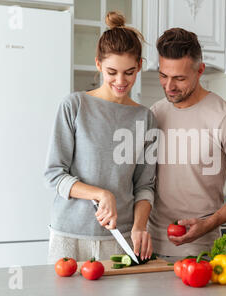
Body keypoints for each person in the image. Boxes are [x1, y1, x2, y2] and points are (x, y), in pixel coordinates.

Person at [44, 12, 156, 264]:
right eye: (112, 72)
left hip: (120, 238)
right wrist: (101, 194)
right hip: (69, 235)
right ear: (98, 64)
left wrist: (140, 226)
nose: (120, 81)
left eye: (129, 72)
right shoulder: (74, 105)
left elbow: (145, 186)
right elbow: (54, 174)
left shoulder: (145, 118)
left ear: (139, 65)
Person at [147, 28, 226, 257]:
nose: (169, 86)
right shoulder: (156, 112)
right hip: (150, 249)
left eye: (179, 78)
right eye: (163, 75)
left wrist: (211, 222)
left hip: (199, 252)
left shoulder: (225, 117)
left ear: (200, 70)